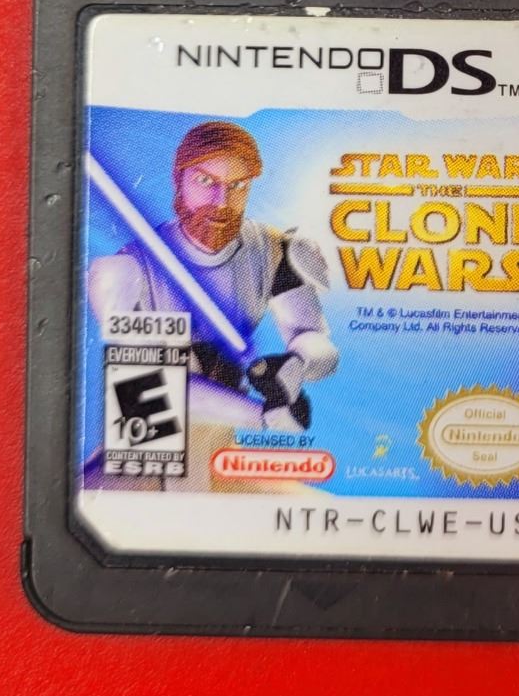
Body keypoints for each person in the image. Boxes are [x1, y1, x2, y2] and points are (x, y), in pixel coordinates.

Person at [87, 121, 338, 474]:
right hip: (145, 448)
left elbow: (314, 339)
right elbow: (145, 387)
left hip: (221, 447)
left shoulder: (275, 250)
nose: (222, 202)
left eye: (238, 185)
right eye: (206, 181)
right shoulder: (125, 270)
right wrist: (262, 416)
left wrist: (298, 364)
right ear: (178, 180)